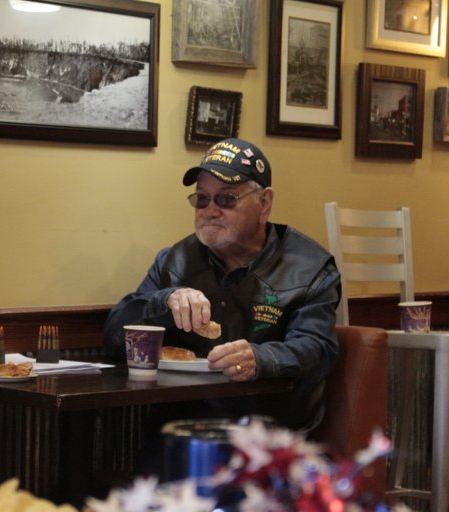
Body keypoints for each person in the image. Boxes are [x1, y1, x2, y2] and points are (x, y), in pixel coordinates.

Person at [104, 138, 341, 433]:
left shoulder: (309, 268)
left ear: (264, 203)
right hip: (182, 433)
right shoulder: (174, 261)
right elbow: (115, 336)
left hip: (270, 440)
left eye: (226, 199)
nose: (210, 210)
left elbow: (317, 349)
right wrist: (165, 301)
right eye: (202, 199)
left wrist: (262, 358)